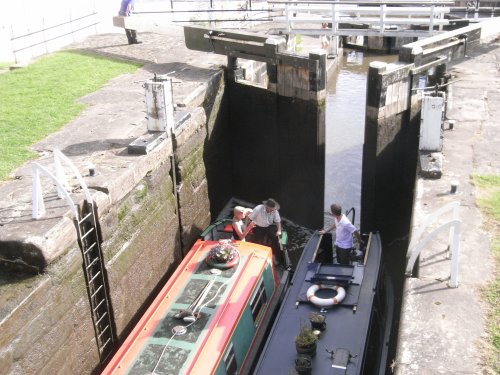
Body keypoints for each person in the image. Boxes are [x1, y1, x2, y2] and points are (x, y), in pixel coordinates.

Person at [248, 198, 282, 263]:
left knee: (275, 238)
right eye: (271, 208)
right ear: (267, 206)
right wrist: (246, 227)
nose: (273, 210)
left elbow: (278, 221)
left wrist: (279, 230)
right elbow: (249, 217)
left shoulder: (274, 211)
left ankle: (273, 255)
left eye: (273, 209)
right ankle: (258, 256)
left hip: (268, 226)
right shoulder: (258, 209)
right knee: (258, 241)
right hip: (258, 226)